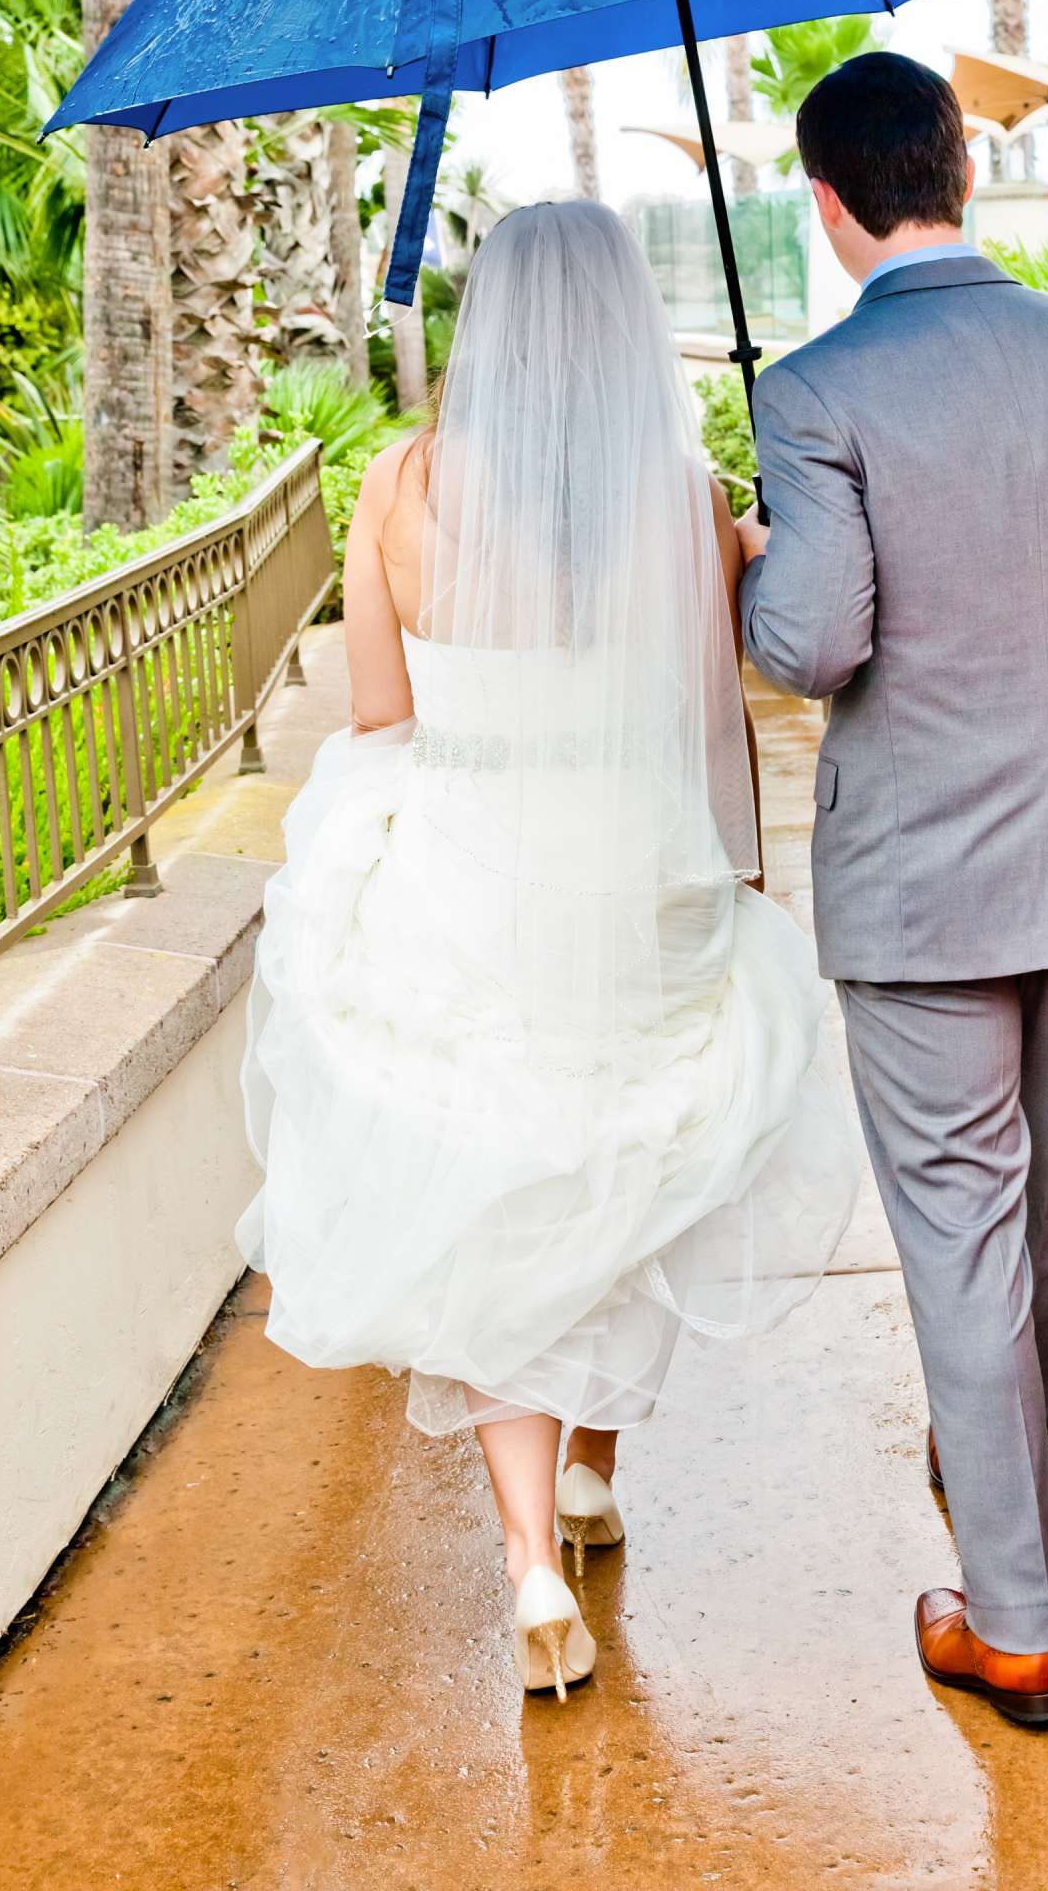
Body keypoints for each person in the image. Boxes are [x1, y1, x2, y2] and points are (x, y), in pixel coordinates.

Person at [237, 200, 858, 1703]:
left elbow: (381, 717)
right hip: (628, 862)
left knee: (502, 1190)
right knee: (616, 1157)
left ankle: (527, 1562)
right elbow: (712, 718)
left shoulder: (404, 483)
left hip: (465, 864)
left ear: (489, 326)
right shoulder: (682, 493)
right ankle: (592, 1473)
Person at [736, 52, 1048, 1729]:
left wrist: (745, 560)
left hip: (921, 881)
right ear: (953, 166)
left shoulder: (808, 394)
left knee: (957, 1226)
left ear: (827, 201)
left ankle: (1016, 1622)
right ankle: (989, 1442)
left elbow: (814, 642)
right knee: (1042, 1211)